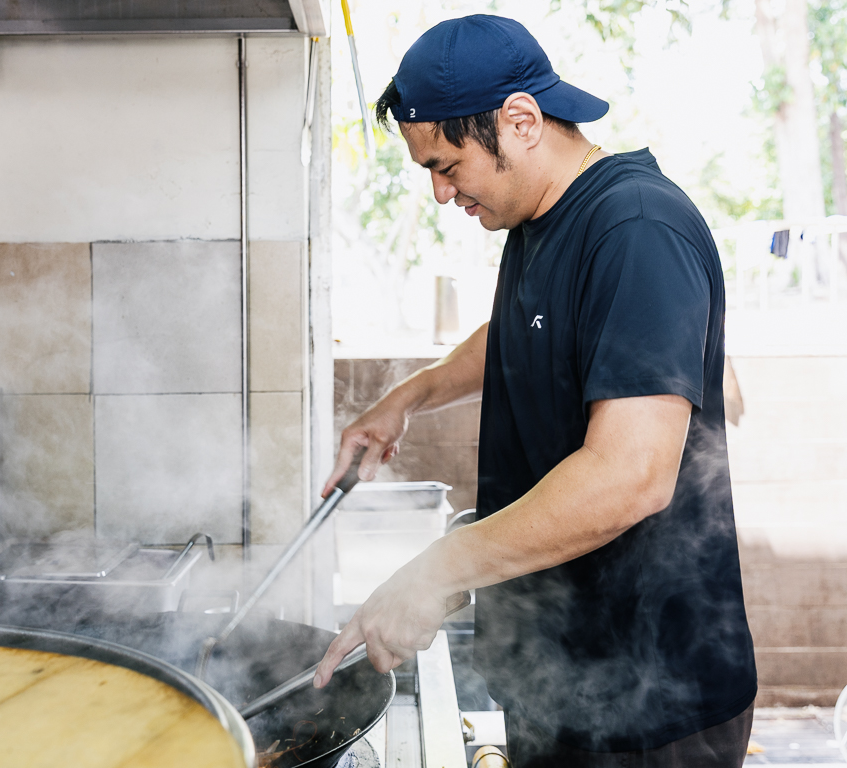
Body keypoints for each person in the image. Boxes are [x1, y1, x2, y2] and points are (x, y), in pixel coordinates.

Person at [314, 15, 757, 768]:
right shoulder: (541, 221)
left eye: (448, 166)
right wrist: (410, 396)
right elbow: (522, 332)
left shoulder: (637, 228)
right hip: (562, 684)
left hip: (652, 705)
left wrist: (435, 571)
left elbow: (630, 476)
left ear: (520, 121)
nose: (438, 192)